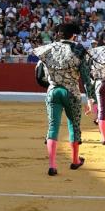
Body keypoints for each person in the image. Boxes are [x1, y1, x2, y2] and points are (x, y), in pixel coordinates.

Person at [34, 22, 92, 177]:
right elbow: (86, 78)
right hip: (71, 92)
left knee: (53, 127)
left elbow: (40, 76)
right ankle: (75, 161)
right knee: (74, 126)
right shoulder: (78, 50)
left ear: (57, 35)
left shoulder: (46, 50)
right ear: (74, 35)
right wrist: (91, 99)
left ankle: (52, 165)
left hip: (52, 91)